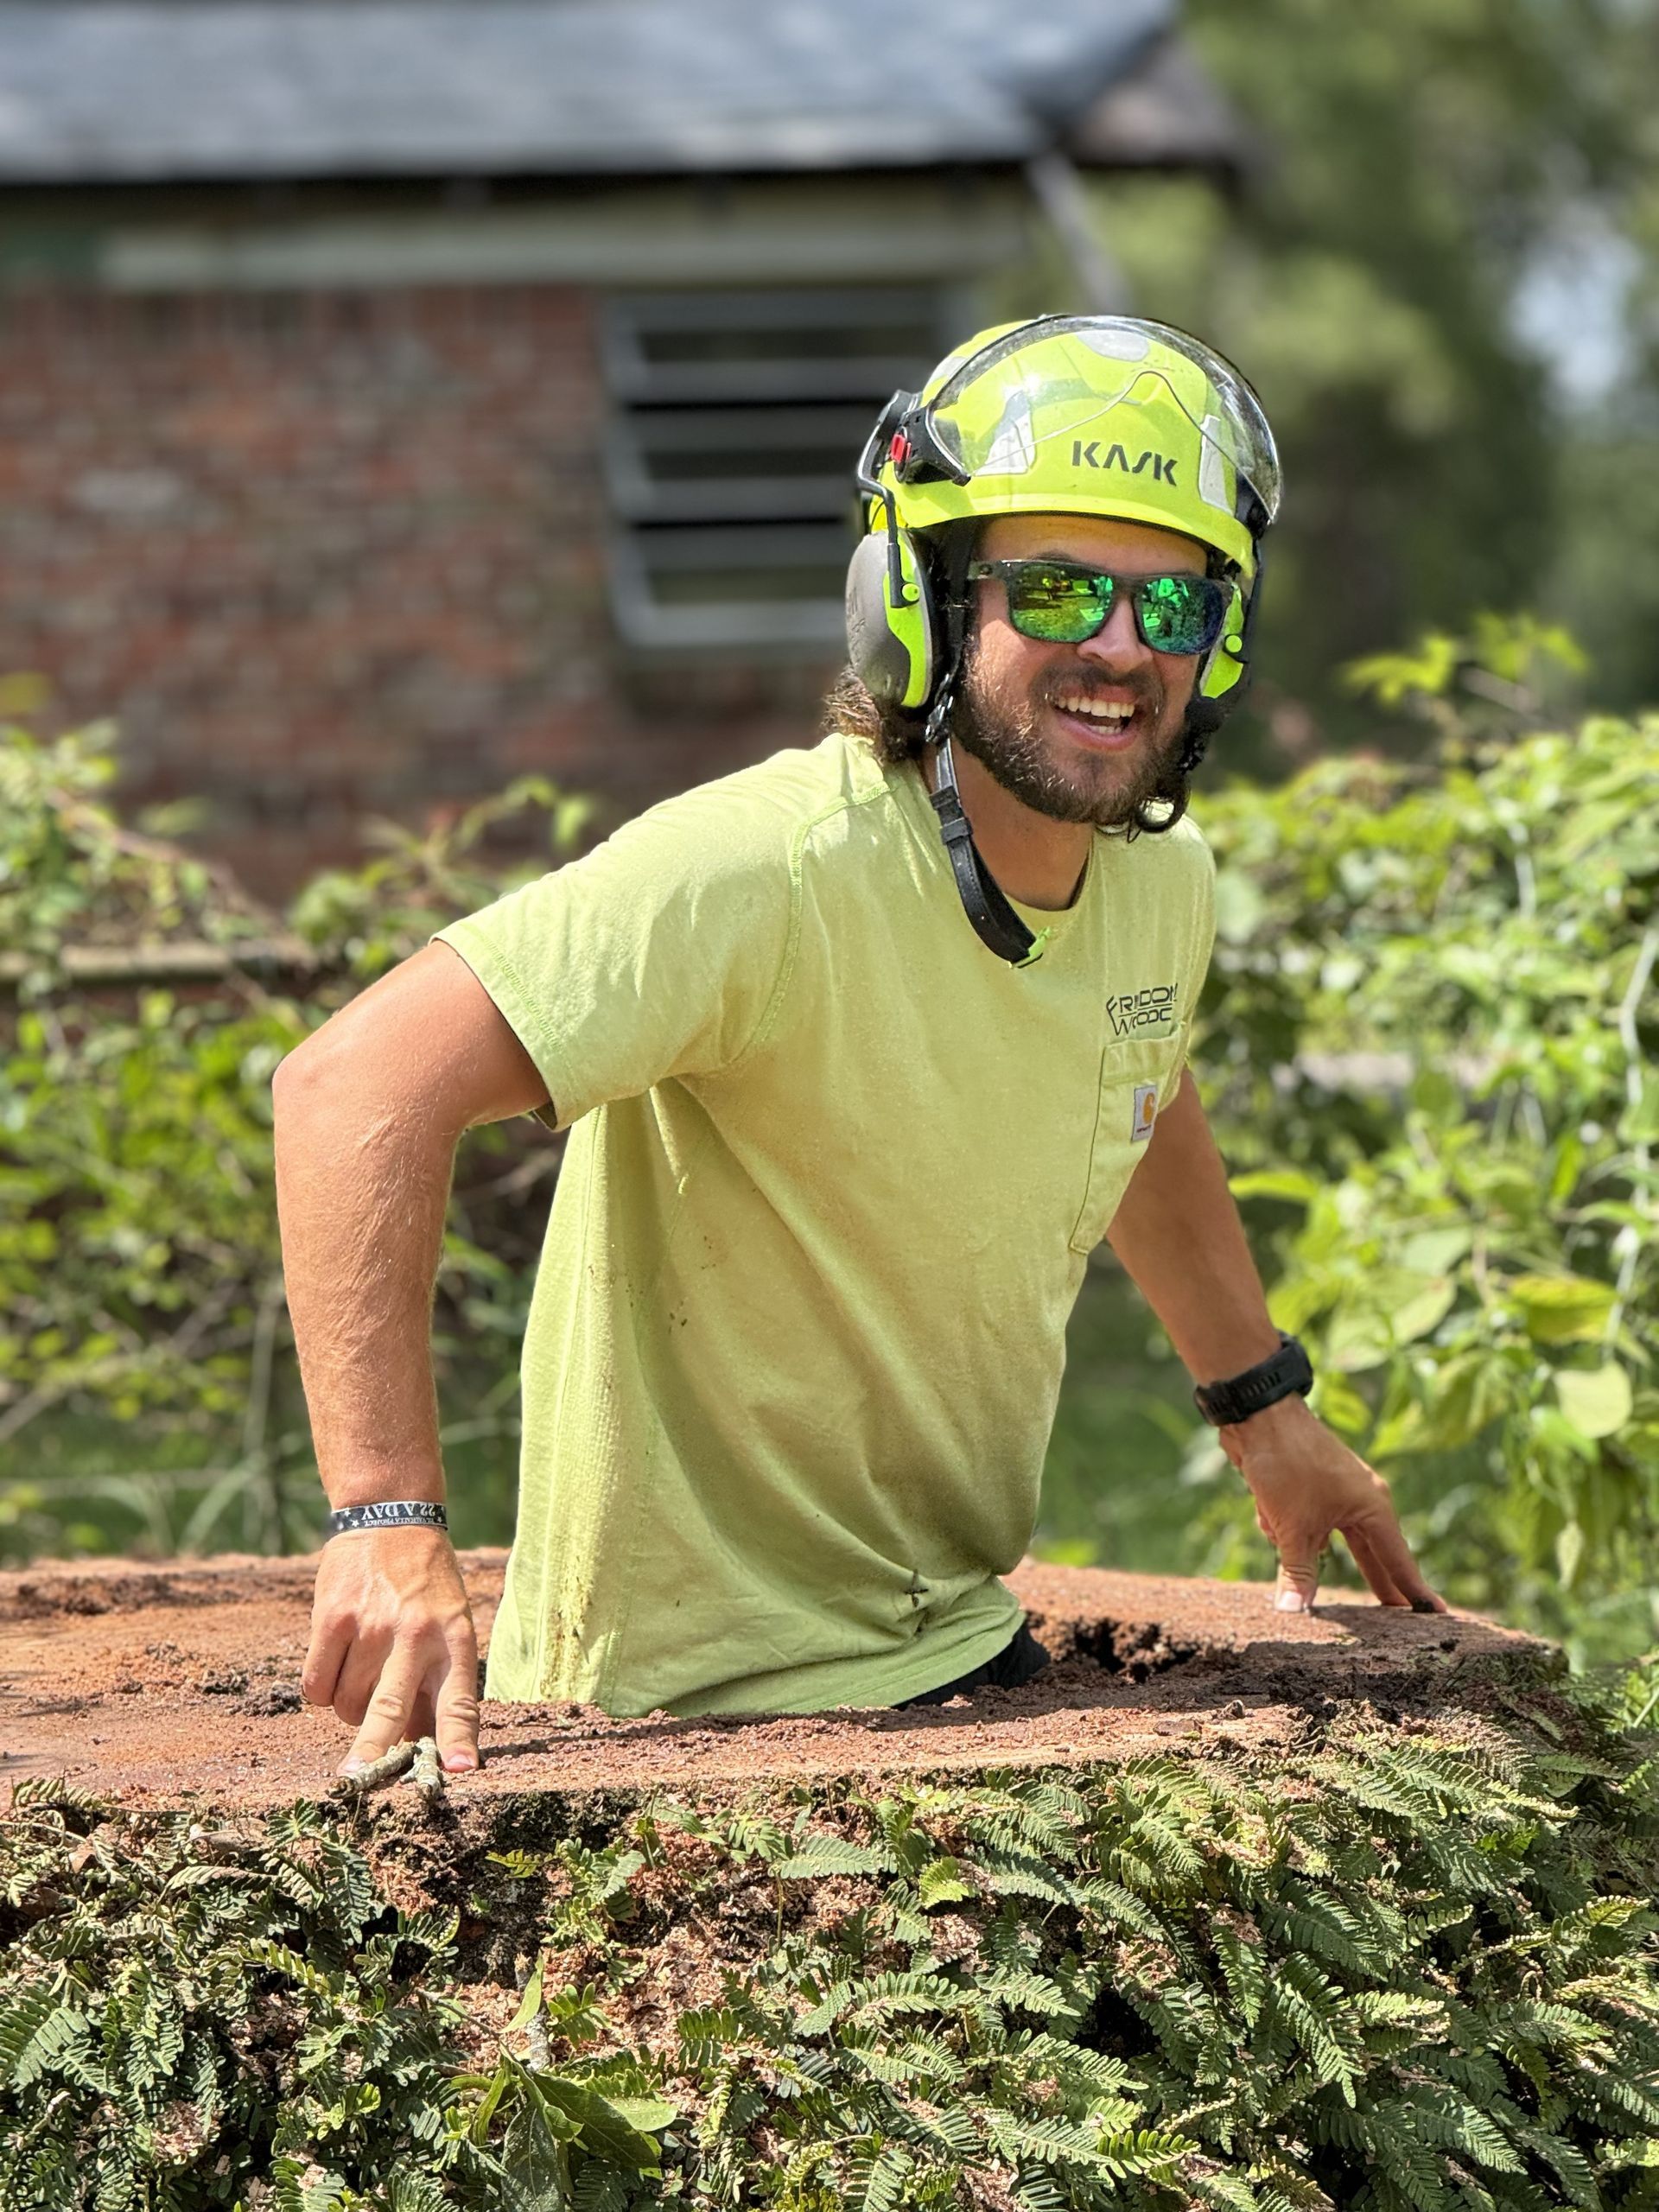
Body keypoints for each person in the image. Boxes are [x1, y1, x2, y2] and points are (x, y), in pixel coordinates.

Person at [274, 314, 1444, 1780]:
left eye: (1175, 609)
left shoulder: (1162, 884)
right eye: (1063, 589)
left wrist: (1264, 1409)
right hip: (673, 1714)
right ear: (923, 600)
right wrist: (384, 1523)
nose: (1120, 649)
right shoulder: (766, 870)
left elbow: (1128, 1092)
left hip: (957, 1647)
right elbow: (350, 1087)